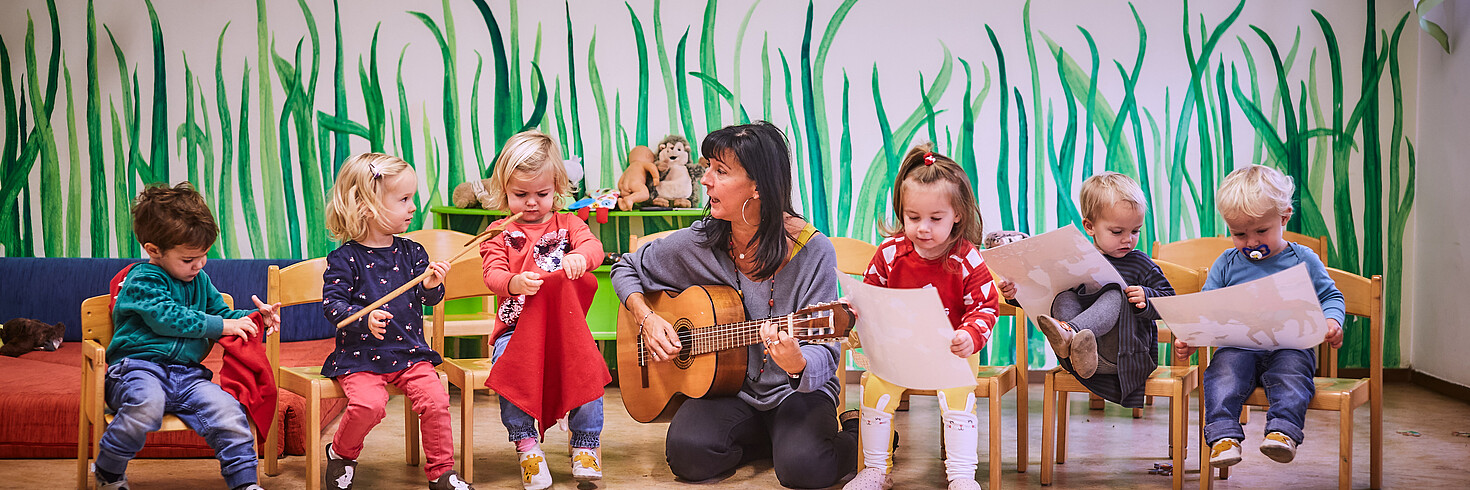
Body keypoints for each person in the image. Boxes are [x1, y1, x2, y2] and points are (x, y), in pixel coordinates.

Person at [610, 121, 859, 488]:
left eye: (720, 171)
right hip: (730, 390)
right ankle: (771, 441)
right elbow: (627, 266)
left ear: (758, 186)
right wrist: (646, 317)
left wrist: (798, 363)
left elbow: (826, 353)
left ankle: (858, 433)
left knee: (805, 470)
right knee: (687, 456)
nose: (706, 179)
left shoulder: (812, 251)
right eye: (708, 166)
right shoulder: (701, 241)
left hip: (796, 392)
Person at [99, 182, 281, 490]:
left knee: (229, 412)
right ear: (153, 250)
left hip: (186, 376)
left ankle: (245, 483)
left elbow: (223, 316)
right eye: (188, 259)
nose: (198, 264)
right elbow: (168, 319)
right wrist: (223, 326)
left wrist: (252, 319)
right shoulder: (141, 280)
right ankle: (109, 470)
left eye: (204, 255)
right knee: (147, 405)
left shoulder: (200, 279)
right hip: (136, 370)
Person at [843, 145, 1000, 490]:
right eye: (913, 218)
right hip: (899, 352)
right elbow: (869, 297)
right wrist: (853, 309)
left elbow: (986, 306)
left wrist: (969, 336)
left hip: (952, 352)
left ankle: (961, 475)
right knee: (875, 389)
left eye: (935, 219)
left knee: (958, 394)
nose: (923, 229)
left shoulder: (967, 258)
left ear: (957, 215)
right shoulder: (889, 254)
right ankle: (874, 470)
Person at [1175, 164, 1345, 469]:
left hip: (1290, 345)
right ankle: (1224, 437)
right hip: (1239, 347)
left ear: (1284, 217)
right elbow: (1206, 306)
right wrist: (1191, 336)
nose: (1251, 242)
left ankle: (1282, 432)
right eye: (1239, 234)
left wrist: (1332, 321)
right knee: (1222, 374)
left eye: (1261, 231)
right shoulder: (1226, 263)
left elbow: (1331, 297)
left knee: (1292, 375)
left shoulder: (1302, 258)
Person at [320, 153, 470, 490]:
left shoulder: (413, 252)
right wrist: (363, 320)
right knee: (369, 405)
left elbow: (428, 299)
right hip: (359, 357)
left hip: (409, 353)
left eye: (411, 197)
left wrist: (432, 285)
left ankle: (442, 472)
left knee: (435, 400)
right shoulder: (345, 258)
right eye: (403, 199)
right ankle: (341, 454)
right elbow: (332, 306)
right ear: (367, 206)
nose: (413, 206)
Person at [478, 130, 610, 490]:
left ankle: (585, 443)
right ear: (504, 190)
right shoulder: (498, 233)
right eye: (521, 195)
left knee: (589, 368)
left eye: (542, 193)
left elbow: (593, 248)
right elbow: (492, 274)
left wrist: (581, 257)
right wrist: (513, 283)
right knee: (509, 372)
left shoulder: (568, 225)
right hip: (515, 332)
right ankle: (527, 446)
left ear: (557, 189)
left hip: (564, 331)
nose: (532, 203)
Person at [998, 172, 1175, 407]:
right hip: (1080, 358)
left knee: (1115, 295)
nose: (1128, 240)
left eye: (1135, 231)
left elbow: (1170, 301)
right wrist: (1015, 293)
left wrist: (1147, 296)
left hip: (1123, 355)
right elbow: (1042, 297)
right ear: (1089, 226)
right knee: (1064, 296)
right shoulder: (1072, 260)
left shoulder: (1139, 263)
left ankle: (1069, 331)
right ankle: (1074, 340)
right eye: (1117, 231)